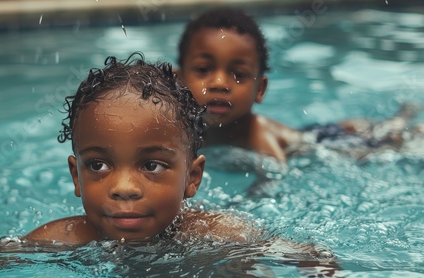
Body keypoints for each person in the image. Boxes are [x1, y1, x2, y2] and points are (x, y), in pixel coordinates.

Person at [0, 53, 337, 278]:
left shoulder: (219, 235)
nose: (123, 187)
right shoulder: (63, 237)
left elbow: (313, 258)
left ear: (192, 178)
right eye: (99, 165)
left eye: (153, 166)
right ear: (76, 176)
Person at [176, 8, 422, 163]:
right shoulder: (178, 132)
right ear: (178, 81)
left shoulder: (261, 142)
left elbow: (274, 181)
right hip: (306, 131)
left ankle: (403, 121)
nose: (219, 83)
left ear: (260, 90)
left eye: (238, 74)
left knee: (381, 145)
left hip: (318, 144)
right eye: (203, 70)